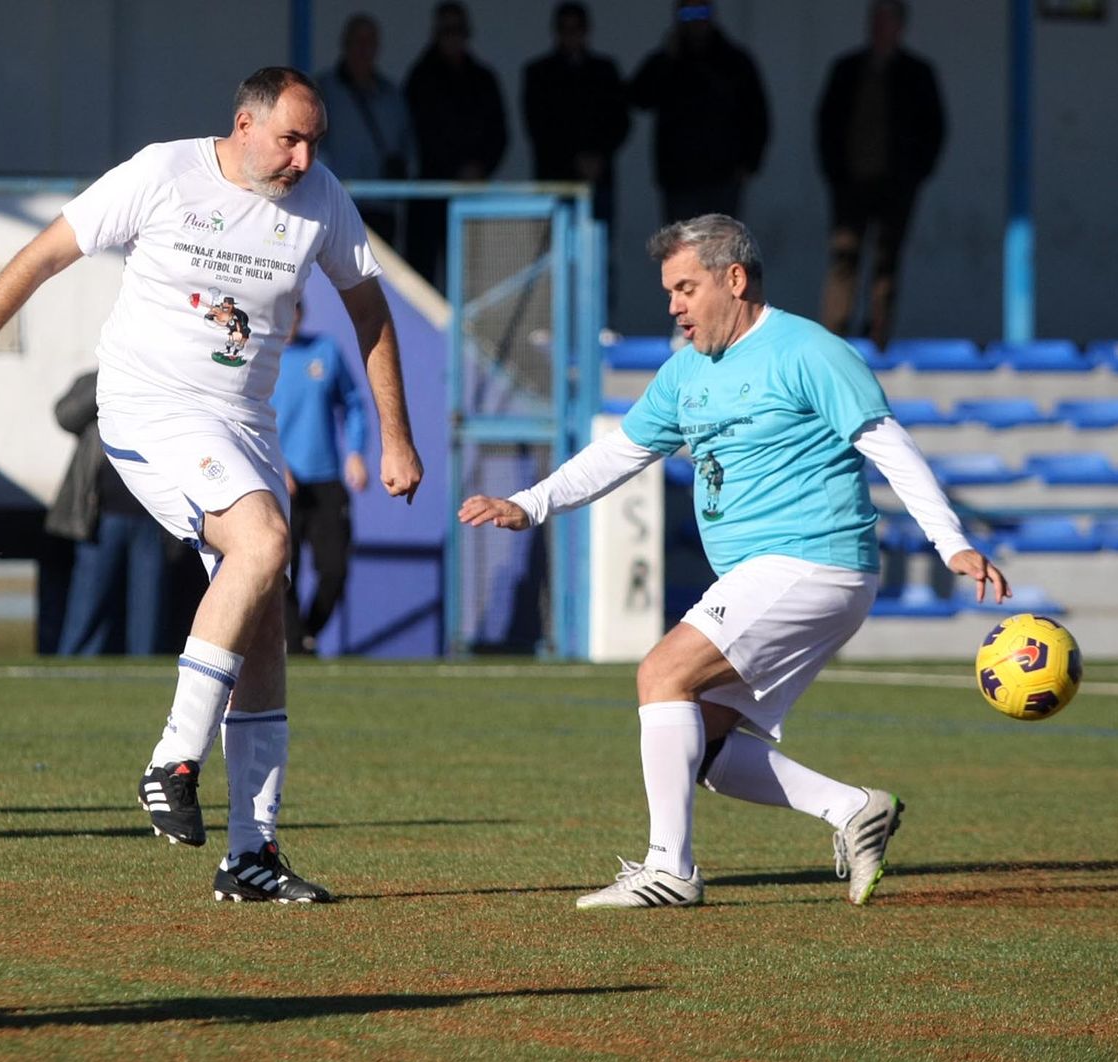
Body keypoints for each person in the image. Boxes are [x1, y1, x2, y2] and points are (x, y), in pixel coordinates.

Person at [0, 67, 424, 904]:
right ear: (244, 125)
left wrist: (395, 436)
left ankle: (251, 854)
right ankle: (173, 757)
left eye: (315, 141)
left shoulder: (322, 197)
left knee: (262, 620)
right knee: (262, 542)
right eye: (291, 138)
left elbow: (369, 308)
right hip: (152, 408)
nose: (305, 157)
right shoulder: (163, 172)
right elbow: (41, 256)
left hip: (244, 425)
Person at [459, 214, 1007, 909]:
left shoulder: (808, 349)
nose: (674, 305)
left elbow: (885, 442)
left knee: (661, 672)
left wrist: (948, 539)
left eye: (686, 287)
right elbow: (622, 452)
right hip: (773, 573)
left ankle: (671, 869)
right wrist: (531, 503)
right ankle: (853, 808)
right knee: (704, 745)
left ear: (735, 278)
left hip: (815, 559)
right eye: (670, 292)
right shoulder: (686, 370)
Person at [815, 0, 946, 348]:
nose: (878, 28)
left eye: (885, 22)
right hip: (849, 183)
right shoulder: (846, 69)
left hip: (897, 185)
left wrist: (915, 174)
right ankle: (834, 337)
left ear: (900, 27)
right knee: (844, 258)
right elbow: (826, 124)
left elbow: (934, 129)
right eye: (874, 21)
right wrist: (834, 172)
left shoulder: (917, 73)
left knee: (886, 262)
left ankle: (878, 334)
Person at [45, 369, 171, 656]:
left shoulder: (167, 379)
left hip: (154, 519)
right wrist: (112, 377)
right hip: (101, 519)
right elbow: (66, 416)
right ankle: (75, 673)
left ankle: (144, 679)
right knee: (88, 606)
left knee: (148, 611)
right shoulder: (101, 379)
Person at [270, 302, 368, 656]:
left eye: (294, 312)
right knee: (281, 572)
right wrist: (275, 463)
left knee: (335, 569)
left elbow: (354, 402)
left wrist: (356, 452)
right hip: (279, 482)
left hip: (325, 480)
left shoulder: (324, 351)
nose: (289, 320)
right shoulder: (257, 358)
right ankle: (295, 645)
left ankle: (306, 634)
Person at [629, 1, 768, 224]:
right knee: (682, 249)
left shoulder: (734, 61)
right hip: (679, 177)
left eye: (701, 12)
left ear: (712, 15)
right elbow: (639, 98)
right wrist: (666, 59)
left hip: (724, 175)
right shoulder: (668, 59)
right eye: (687, 13)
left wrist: (750, 162)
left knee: (720, 249)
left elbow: (757, 114)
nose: (695, 20)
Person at [403, 1, 508, 288]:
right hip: (430, 192)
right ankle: (420, 336)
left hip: (472, 195)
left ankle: (463, 334)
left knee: (468, 277)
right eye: (447, 29)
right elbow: (420, 134)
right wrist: (454, 170)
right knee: (422, 278)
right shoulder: (420, 78)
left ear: (467, 33)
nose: (453, 35)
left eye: (458, 29)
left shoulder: (483, 78)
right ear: (436, 33)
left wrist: (480, 167)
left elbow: (499, 134)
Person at [521, 2, 631, 231]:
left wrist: (599, 156)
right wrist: (575, 160)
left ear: (586, 30)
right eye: (565, 28)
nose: (571, 35)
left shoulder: (605, 71)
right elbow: (538, 126)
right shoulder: (539, 74)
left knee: (598, 251)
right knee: (553, 254)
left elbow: (620, 121)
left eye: (576, 28)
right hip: (555, 179)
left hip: (598, 181)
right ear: (556, 31)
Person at [316, 12, 414, 246]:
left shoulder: (392, 95)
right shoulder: (323, 90)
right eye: (358, 41)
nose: (364, 48)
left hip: (382, 206)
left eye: (370, 42)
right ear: (345, 44)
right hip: (337, 204)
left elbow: (408, 146)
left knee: (378, 277)